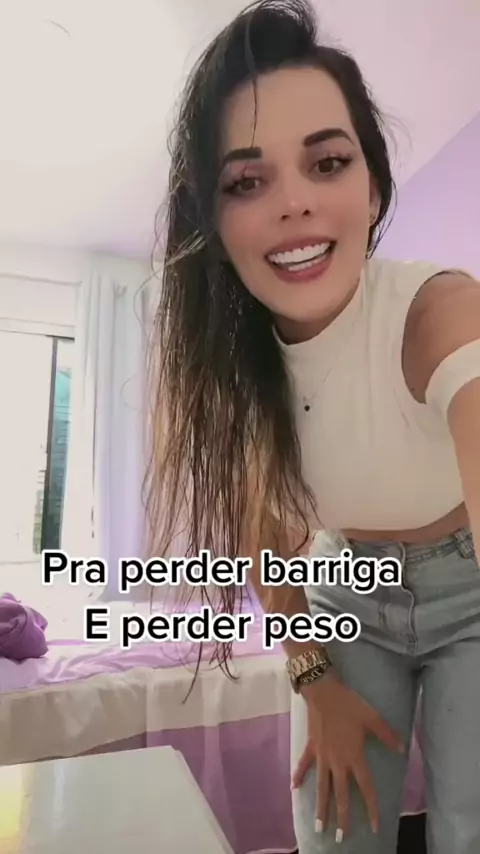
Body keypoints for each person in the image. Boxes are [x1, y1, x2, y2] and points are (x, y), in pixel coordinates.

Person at [144, 1, 480, 851]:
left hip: (471, 589)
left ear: (373, 189)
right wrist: (316, 684)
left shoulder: (440, 313)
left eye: (327, 163)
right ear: (214, 223)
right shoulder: (230, 371)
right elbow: (263, 535)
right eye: (247, 182)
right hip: (344, 595)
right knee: (332, 828)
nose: (294, 204)